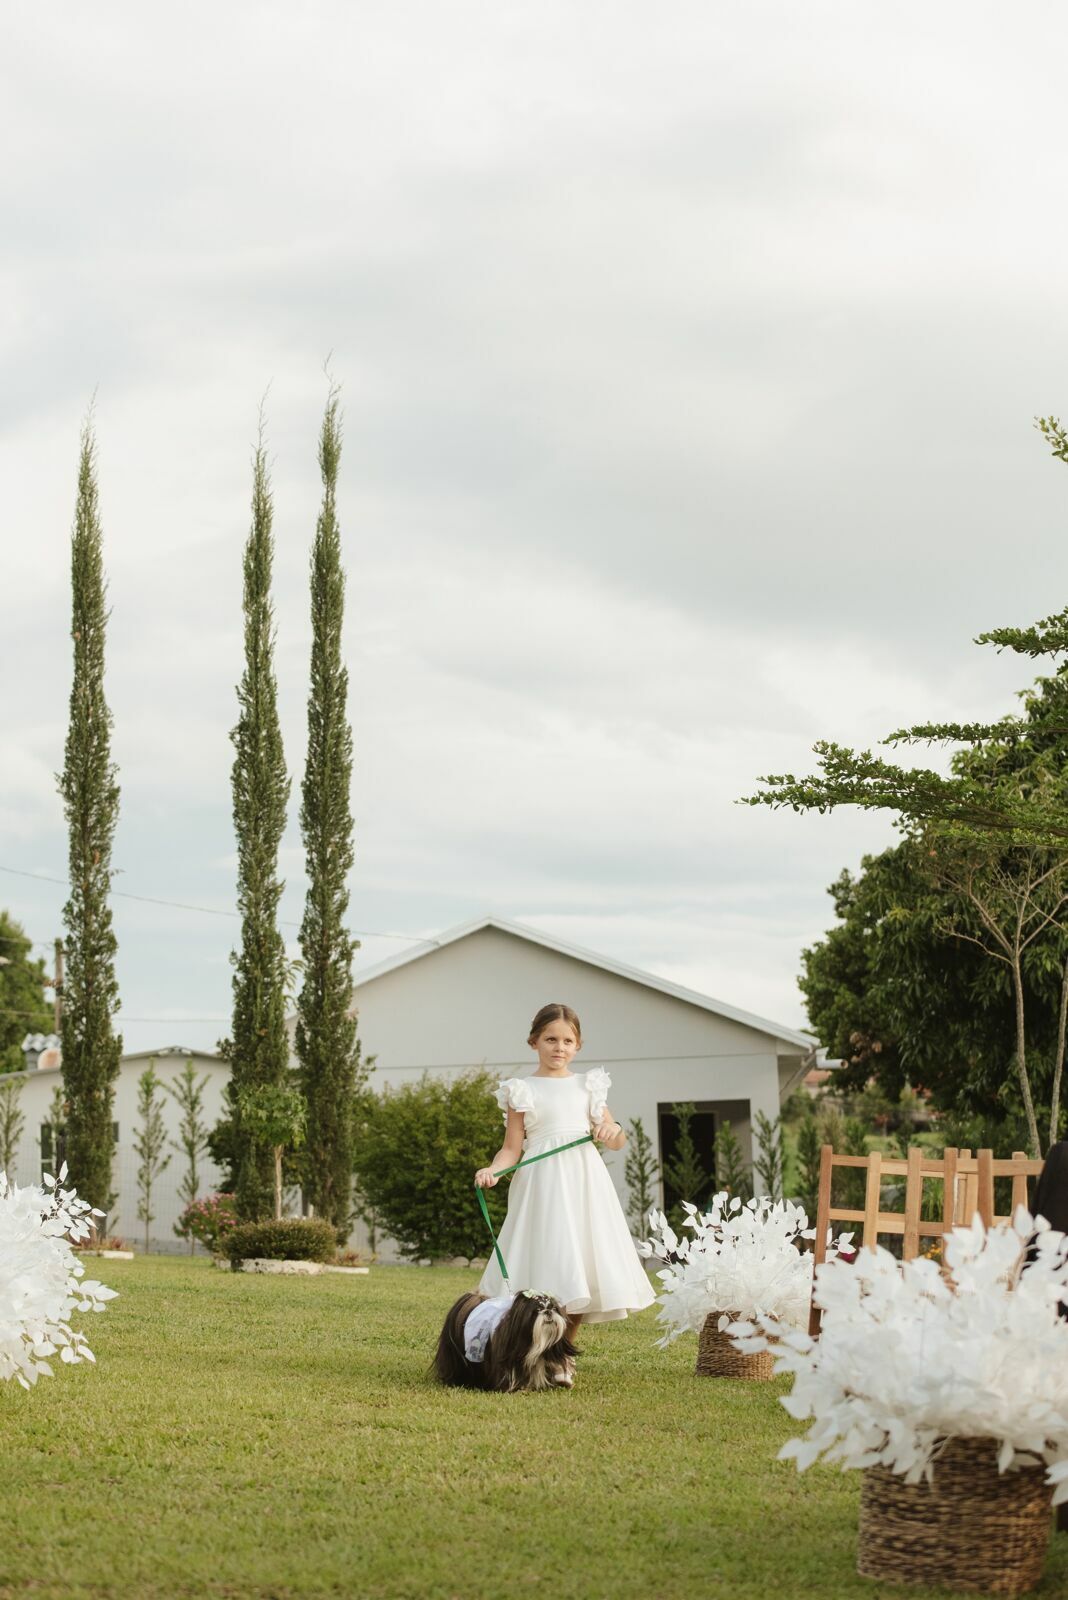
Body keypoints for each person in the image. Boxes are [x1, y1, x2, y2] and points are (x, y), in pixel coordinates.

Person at [474, 1002, 655, 1335]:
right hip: (541, 1185)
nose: (559, 1048)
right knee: (548, 1255)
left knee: (580, 1261)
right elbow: (511, 1149)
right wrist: (494, 1170)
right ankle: (530, 1343)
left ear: (578, 1045)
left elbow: (616, 1138)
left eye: (567, 1041)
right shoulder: (521, 1090)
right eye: (550, 1039)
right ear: (534, 1042)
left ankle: (564, 1354)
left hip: (584, 1182)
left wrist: (611, 1130)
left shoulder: (589, 1086)